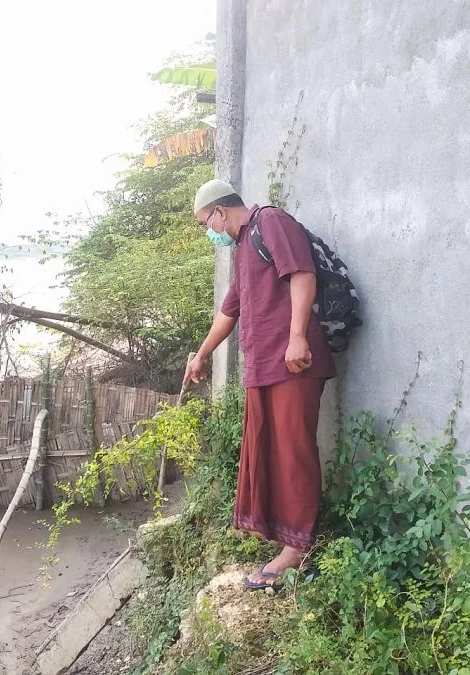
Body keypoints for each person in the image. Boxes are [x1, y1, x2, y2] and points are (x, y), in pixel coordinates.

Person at [185, 179, 336, 590]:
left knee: (293, 451)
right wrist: (200, 354)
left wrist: (297, 336)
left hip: (293, 362)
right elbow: (227, 313)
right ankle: (280, 532)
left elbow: (302, 274)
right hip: (264, 367)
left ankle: (298, 549)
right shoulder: (243, 249)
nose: (209, 233)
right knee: (267, 450)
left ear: (220, 211)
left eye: (206, 224)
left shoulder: (270, 222)